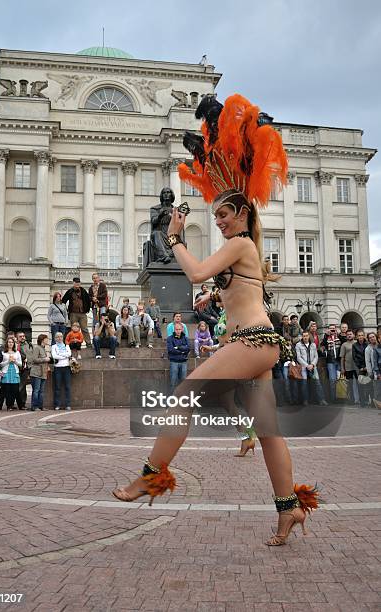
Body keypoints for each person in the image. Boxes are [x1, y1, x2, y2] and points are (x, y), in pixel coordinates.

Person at [112, 93, 319, 545]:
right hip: (252, 341)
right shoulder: (241, 248)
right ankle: (289, 511)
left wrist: (176, 238)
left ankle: (151, 478)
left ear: (241, 213)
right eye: (218, 216)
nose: (220, 222)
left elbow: (199, 271)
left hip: (252, 341)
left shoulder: (242, 242)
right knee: (267, 431)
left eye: (224, 215)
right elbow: (219, 287)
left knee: (182, 394)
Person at [295, 330, 327, 406]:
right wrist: (307, 365)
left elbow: (316, 356)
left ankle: (321, 400)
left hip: (313, 366)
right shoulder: (298, 345)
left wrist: (312, 364)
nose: (305, 337)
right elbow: (298, 358)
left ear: (309, 336)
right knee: (304, 384)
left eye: (306, 336)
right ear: (302, 337)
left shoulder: (313, 345)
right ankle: (305, 400)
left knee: (317, 383)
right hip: (303, 367)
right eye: (304, 336)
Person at [62, 277, 92, 348]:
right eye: (76, 283)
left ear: (80, 283)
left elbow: (88, 300)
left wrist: (87, 309)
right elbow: (63, 300)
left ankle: (89, 344)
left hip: (83, 313)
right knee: (74, 329)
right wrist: (66, 310)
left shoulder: (83, 291)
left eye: (78, 283)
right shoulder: (70, 291)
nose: (77, 284)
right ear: (73, 283)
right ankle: (73, 343)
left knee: (84, 329)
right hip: (73, 313)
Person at [0, 337, 22, 411]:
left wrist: (14, 361)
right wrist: (8, 361)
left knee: (15, 389)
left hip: (14, 372)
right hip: (6, 372)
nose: (10, 343)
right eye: (9, 342)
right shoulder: (3, 353)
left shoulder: (17, 353)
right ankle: (8, 405)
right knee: (7, 390)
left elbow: (20, 364)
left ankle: (12, 404)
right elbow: (1, 364)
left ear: (14, 344)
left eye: (12, 342)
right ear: (7, 343)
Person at [51, 332, 72, 411]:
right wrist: (64, 355)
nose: (59, 338)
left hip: (66, 367)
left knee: (67, 387)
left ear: (63, 337)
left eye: (60, 337)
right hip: (57, 368)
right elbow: (54, 356)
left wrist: (60, 354)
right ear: (55, 338)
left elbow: (69, 354)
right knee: (57, 387)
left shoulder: (67, 346)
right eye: (57, 337)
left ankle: (68, 404)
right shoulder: (53, 346)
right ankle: (57, 405)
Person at [321, 324, 341, 402]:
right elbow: (322, 344)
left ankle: (340, 397)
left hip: (339, 361)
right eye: (331, 329)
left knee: (339, 379)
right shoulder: (326, 337)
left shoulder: (339, 337)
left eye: (333, 329)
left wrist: (339, 333)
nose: (332, 331)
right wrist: (326, 335)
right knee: (332, 380)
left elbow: (344, 341)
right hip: (330, 362)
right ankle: (333, 398)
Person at [167, 322, 190, 391]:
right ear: (174, 329)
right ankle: (173, 398)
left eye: (179, 329)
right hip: (174, 361)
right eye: (176, 329)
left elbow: (188, 348)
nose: (178, 331)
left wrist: (178, 347)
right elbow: (171, 350)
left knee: (183, 381)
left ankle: (182, 397)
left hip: (184, 361)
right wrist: (182, 351)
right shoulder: (170, 338)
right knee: (173, 381)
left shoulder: (185, 338)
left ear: (182, 329)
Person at [30, 334, 51, 411]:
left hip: (43, 373)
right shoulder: (37, 348)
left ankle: (40, 406)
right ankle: (34, 406)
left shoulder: (43, 348)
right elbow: (34, 359)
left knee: (41, 391)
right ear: (42, 340)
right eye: (46, 339)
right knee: (36, 390)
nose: (47, 340)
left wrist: (47, 364)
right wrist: (44, 359)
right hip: (36, 373)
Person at [340, 330, 359, 404]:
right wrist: (342, 368)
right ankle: (351, 400)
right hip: (348, 367)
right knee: (350, 384)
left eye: (350, 334)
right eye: (348, 334)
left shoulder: (357, 343)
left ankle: (360, 399)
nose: (349, 335)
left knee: (359, 383)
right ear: (346, 336)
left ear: (354, 335)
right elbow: (342, 357)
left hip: (357, 367)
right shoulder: (344, 345)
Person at [16, 331, 34, 409]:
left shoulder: (29, 345)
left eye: (23, 336)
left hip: (29, 367)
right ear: (17, 338)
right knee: (21, 387)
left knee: (32, 386)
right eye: (20, 336)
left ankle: (31, 403)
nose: (23, 337)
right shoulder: (16, 346)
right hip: (20, 368)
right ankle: (21, 404)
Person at [352, 329, 369, 407]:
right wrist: (361, 367)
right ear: (356, 337)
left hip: (368, 367)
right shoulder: (354, 345)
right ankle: (362, 402)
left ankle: (368, 400)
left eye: (362, 335)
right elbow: (354, 358)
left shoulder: (367, 344)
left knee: (369, 384)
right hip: (360, 368)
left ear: (364, 336)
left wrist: (367, 366)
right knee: (361, 384)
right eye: (359, 335)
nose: (361, 337)